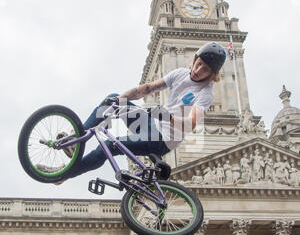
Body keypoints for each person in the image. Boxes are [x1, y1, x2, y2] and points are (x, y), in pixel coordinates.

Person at [55, 42, 226, 181]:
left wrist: (168, 117)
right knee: (114, 98)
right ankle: (77, 140)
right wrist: (118, 101)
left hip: (162, 139)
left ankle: (63, 175)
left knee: (108, 146)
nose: (198, 70)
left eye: (205, 70)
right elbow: (147, 88)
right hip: (151, 123)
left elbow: (191, 123)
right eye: (199, 64)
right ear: (195, 58)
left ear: (212, 74)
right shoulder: (180, 73)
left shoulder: (206, 93)